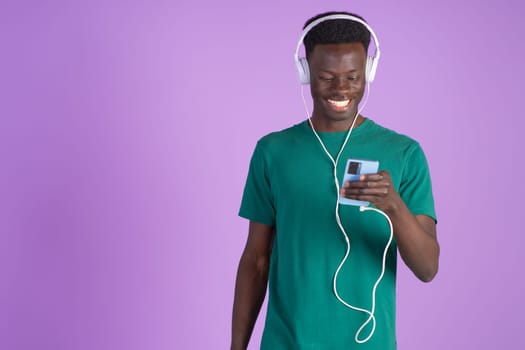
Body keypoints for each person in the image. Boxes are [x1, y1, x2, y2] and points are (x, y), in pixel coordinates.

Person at [231, 11, 439, 350]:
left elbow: (428, 267)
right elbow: (255, 261)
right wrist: (236, 347)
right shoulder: (273, 152)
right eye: (326, 76)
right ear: (305, 73)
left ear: (369, 72)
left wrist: (394, 207)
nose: (341, 89)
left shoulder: (404, 153)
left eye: (353, 77)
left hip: (369, 342)